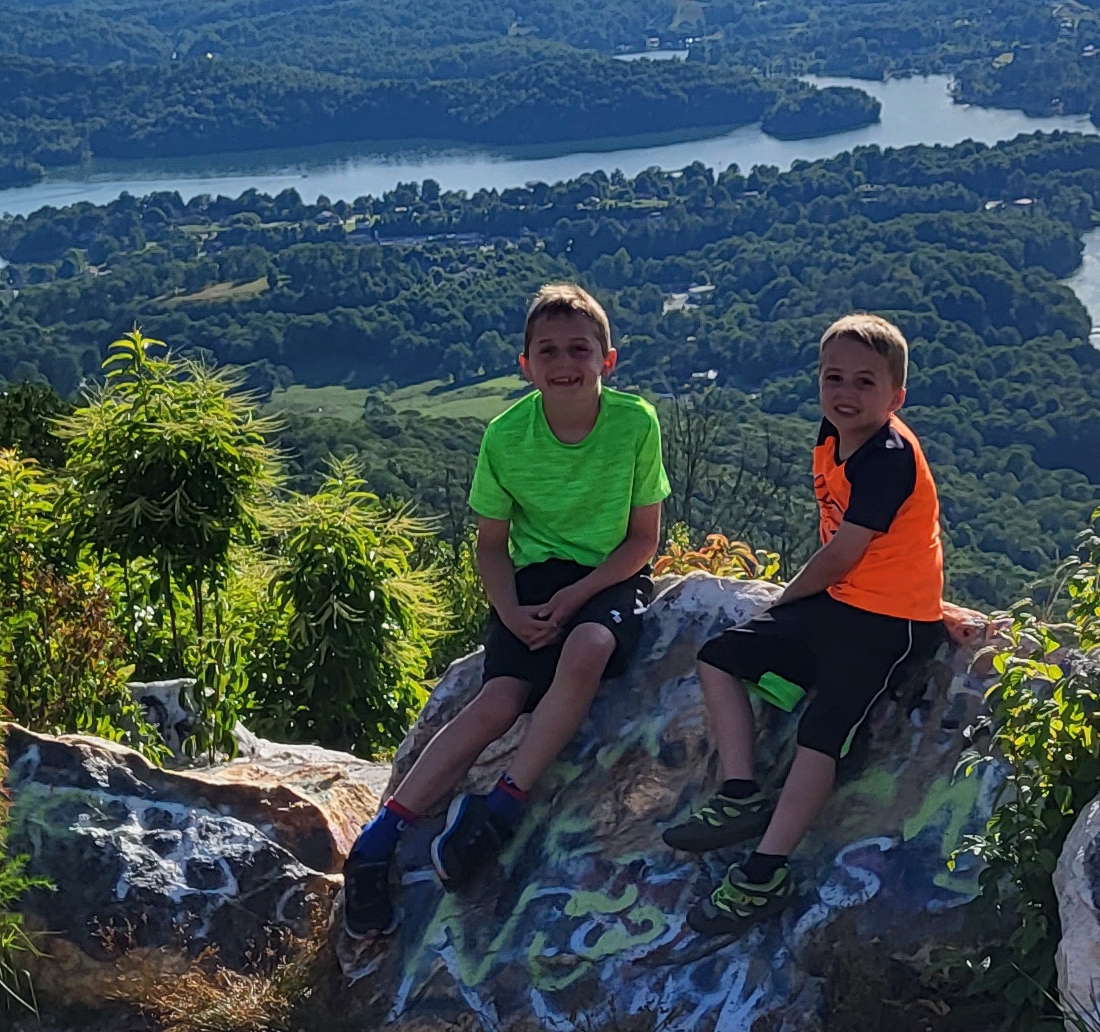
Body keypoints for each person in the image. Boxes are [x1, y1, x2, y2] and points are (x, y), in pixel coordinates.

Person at [342, 282, 666, 928]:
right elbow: (491, 545)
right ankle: (376, 842)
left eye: (580, 348)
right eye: (548, 350)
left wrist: (579, 596)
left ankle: (501, 807)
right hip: (534, 579)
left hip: (609, 576)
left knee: (590, 647)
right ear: (525, 365)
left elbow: (643, 539)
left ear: (609, 358)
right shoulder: (505, 435)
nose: (565, 362)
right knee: (495, 701)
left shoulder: (635, 422)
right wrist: (512, 611)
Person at [661, 312, 950, 927]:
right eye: (833, 377)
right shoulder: (833, 432)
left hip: (889, 621)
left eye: (865, 383)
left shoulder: (888, 457)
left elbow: (847, 549)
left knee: (822, 737)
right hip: (840, 602)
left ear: (896, 396)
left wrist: (785, 599)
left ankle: (764, 876)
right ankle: (740, 793)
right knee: (720, 657)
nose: (845, 394)